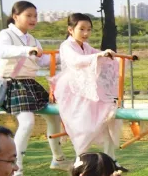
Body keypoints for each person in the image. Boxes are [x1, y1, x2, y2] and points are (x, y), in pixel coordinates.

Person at [0, 0, 68, 176]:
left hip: (30, 84)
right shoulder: (5, 35)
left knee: (54, 116)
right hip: (13, 84)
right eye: (28, 15)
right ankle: (15, 173)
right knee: (27, 123)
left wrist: (69, 54)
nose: (33, 19)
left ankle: (58, 159)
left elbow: (43, 61)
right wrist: (27, 50)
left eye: (35, 16)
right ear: (15, 16)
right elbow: (2, 51)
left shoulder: (33, 39)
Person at [51, 13, 125, 160]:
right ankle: (80, 160)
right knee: (84, 128)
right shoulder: (66, 46)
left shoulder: (86, 46)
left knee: (108, 119)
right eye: (82, 29)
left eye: (89, 29)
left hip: (88, 87)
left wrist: (112, 56)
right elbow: (76, 61)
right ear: (70, 30)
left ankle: (111, 160)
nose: (86, 33)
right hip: (72, 90)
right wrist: (99, 56)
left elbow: (97, 55)